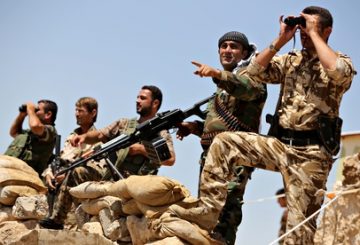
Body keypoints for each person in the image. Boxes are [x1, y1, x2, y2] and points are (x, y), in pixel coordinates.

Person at [169, 6, 355, 244]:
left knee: (299, 234)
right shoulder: (290, 61)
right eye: (303, 28)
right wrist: (281, 39)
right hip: (279, 145)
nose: (305, 33)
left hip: (311, 155)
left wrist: (315, 34)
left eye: (312, 27)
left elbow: (339, 73)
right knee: (225, 142)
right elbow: (252, 72)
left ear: (327, 31)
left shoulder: (340, 60)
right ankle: (208, 211)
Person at [41, 85, 175, 230]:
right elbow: (100, 134)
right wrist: (84, 137)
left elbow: (170, 159)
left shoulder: (160, 131)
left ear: (155, 103)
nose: (137, 100)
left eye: (142, 98)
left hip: (133, 181)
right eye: (137, 97)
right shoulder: (124, 124)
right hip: (108, 174)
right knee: (76, 172)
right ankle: (58, 220)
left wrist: (141, 150)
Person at [176, 31, 267, 244]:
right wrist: (195, 127)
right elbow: (221, 125)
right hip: (210, 157)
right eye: (223, 46)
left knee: (225, 213)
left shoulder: (253, 76)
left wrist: (217, 74)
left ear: (244, 52)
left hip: (234, 158)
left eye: (233, 47)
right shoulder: (222, 88)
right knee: (206, 213)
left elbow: (247, 90)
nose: (227, 50)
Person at [40, 96, 105, 230]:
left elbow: (94, 167)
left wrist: (66, 174)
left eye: (80, 111)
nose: (76, 114)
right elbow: (59, 159)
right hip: (59, 180)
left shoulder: (97, 138)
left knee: (75, 172)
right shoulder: (71, 137)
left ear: (93, 113)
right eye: (76, 110)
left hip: (80, 178)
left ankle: (58, 219)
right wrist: (49, 173)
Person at [4, 99, 58, 175]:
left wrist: (30, 110)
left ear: (48, 115)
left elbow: (35, 126)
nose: (35, 112)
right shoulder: (29, 133)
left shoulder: (51, 131)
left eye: (37, 110)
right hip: (9, 170)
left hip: (27, 175)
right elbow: (14, 132)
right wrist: (22, 114)